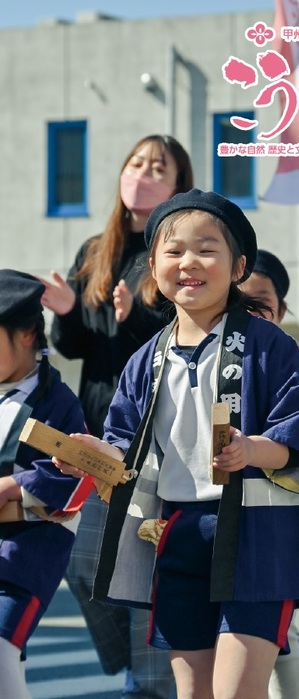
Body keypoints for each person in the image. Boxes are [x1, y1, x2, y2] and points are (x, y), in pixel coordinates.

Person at [54, 189, 299, 699]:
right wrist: (92, 455)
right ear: (153, 269)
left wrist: (253, 449)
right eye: (173, 251)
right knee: (192, 693)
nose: (189, 262)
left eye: (207, 249)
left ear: (238, 267)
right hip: (178, 532)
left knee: (237, 693)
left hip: (258, 534)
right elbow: (124, 445)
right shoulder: (146, 358)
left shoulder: (269, 344)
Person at [40, 133, 193, 699]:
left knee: (138, 567)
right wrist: (66, 314)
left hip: (154, 434)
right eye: (137, 162)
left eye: (159, 166)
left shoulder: (176, 251)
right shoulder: (94, 250)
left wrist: (134, 320)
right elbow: (80, 346)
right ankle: (136, 663)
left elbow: (175, 345)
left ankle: (146, 682)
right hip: (99, 430)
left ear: (179, 184)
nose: (144, 173)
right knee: (83, 564)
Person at [0, 269, 91, 699]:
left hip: (23, 556)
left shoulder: (56, 401)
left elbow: (72, 477)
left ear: (26, 334)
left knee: (0, 650)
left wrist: (10, 486)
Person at [240, 249, 299, 699]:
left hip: (282, 518)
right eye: (240, 303)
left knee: (280, 625)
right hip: (215, 522)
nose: (250, 315)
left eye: (262, 304)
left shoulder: (295, 365)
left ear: (282, 310)